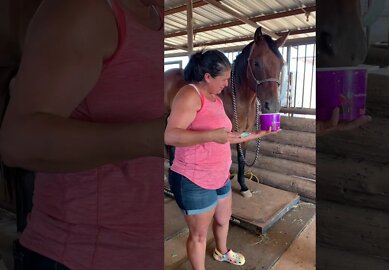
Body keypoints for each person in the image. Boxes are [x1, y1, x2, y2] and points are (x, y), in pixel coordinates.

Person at [0, 0, 165, 269]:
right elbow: (16, 142)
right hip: (80, 255)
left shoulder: (156, 14)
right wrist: (147, 139)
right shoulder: (85, 9)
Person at [164, 50, 279, 270]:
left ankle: (222, 251)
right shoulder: (189, 95)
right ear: (207, 76)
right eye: (224, 79)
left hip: (219, 175)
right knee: (198, 235)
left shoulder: (215, 100)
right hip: (194, 178)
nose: (227, 84)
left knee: (223, 219)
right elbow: (170, 135)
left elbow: (227, 135)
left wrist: (259, 134)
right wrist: (210, 136)